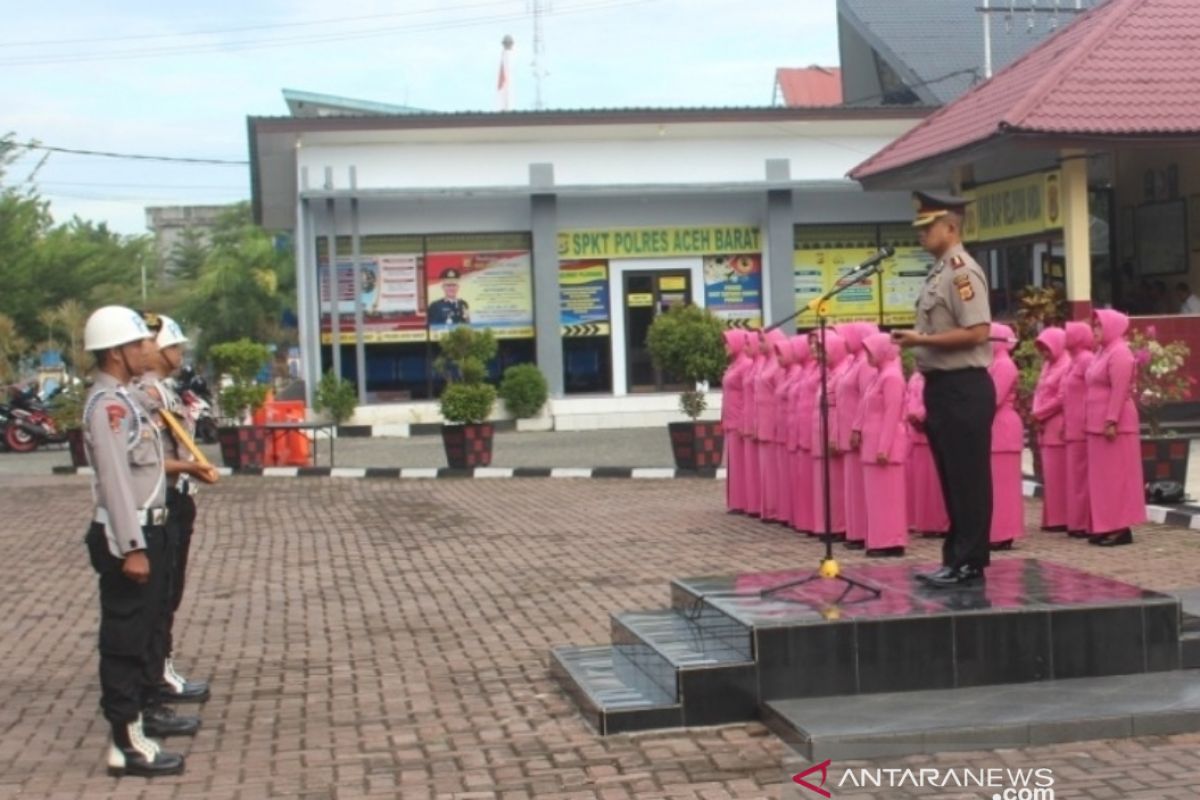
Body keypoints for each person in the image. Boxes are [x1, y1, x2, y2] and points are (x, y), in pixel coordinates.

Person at [81, 306, 185, 777]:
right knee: (124, 639)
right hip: (132, 535)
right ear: (118, 353)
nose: (149, 349)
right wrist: (133, 546)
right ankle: (124, 742)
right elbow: (116, 482)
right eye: (140, 343)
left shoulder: (128, 399)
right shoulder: (109, 407)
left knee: (143, 633)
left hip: (150, 528)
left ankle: (138, 723)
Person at [892, 191, 994, 588]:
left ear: (950, 228)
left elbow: (978, 331)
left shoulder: (961, 272)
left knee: (969, 478)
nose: (921, 233)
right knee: (953, 479)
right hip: (942, 386)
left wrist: (922, 341)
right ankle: (955, 557)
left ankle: (970, 562)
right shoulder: (939, 272)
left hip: (963, 387)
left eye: (927, 226)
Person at [137, 313, 218, 706]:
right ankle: (155, 674)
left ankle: (161, 666)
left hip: (178, 494)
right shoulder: (146, 394)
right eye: (172, 345)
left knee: (170, 590)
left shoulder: (164, 390)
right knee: (160, 592)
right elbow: (148, 458)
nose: (178, 352)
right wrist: (191, 467)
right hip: (162, 497)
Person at [1085, 310, 1146, 545]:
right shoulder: (1102, 352)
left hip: (1114, 426)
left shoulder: (1120, 352)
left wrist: (1111, 420)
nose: (1095, 331)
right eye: (1094, 326)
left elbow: (1119, 391)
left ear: (1111, 327)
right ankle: (1106, 525)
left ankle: (1120, 528)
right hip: (1096, 425)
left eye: (1099, 326)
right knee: (1103, 480)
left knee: (1116, 478)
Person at [859, 332, 909, 557]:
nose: (867, 355)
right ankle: (879, 539)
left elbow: (892, 413)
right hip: (872, 441)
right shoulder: (878, 376)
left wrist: (883, 447)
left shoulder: (892, 377)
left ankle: (891, 540)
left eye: (870, 350)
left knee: (888, 496)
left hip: (884, 443)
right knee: (876, 497)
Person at [835, 322, 876, 551]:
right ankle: (854, 529)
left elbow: (866, 400)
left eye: (846, 336)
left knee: (859, 487)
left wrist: (857, 428)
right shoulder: (853, 362)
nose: (842, 342)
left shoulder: (865, 364)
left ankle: (861, 531)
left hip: (858, 433)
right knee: (851, 486)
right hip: (847, 429)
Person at [988, 323, 1024, 551]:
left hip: (1002, 427)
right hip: (994, 426)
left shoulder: (1003, 366)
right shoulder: (993, 364)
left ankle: (1003, 532)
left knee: (1003, 485)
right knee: (994, 484)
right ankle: (996, 531)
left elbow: (993, 398)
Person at [811, 328, 850, 539]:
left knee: (836, 485)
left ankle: (839, 527)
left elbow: (840, 407)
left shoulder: (842, 371)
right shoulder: (830, 373)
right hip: (823, 427)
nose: (821, 356)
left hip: (834, 427)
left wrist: (835, 435)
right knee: (827, 484)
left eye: (824, 351)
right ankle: (829, 525)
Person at [1032, 326, 1070, 532]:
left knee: (1058, 472)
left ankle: (1061, 518)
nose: (1045, 354)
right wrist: (1036, 412)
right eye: (1042, 349)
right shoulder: (1048, 366)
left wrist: (1039, 413)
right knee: (1050, 473)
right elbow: (1040, 391)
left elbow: (1061, 398)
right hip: (1044, 423)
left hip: (1057, 422)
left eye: (1047, 348)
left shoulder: (1066, 364)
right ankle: (1053, 517)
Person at [904, 371, 949, 538]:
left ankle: (941, 524)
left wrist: (920, 415)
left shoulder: (939, 374)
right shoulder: (915, 376)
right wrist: (911, 415)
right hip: (916, 433)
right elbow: (908, 398)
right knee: (922, 481)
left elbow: (937, 397)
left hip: (933, 427)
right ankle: (926, 522)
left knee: (936, 481)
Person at [1062, 321, 1095, 538]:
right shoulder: (1073, 361)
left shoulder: (1086, 360)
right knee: (1075, 477)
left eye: (1069, 333)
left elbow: (1092, 392)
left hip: (1083, 425)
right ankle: (1075, 521)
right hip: (1072, 424)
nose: (1065, 337)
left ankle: (1083, 522)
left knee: (1082, 477)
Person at [755, 329, 789, 523]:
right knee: (766, 469)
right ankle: (768, 508)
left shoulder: (777, 365)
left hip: (774, 421)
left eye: (763, 340)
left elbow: (779, 396)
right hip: (763, 420)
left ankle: (775, 508)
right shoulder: (765, 363)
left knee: (773, 470)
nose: (760, 344)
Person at [788, 334, 818, 535]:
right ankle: (807, 521)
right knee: (804, 481)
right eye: (811, 344)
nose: (814, 347)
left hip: (818, 431)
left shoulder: (822, 370)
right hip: (802, 429)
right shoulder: (808, 370)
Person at [720, 330, 753, 514]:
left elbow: (747, 395)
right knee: (734, 463)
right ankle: (735, 500)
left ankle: (743, 501)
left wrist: (744, 420)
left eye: (728, 343)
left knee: (741, 464)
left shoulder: (745, 365)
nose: (725, 347)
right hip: (730, 418)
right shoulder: (733, 365)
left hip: (739, 418)